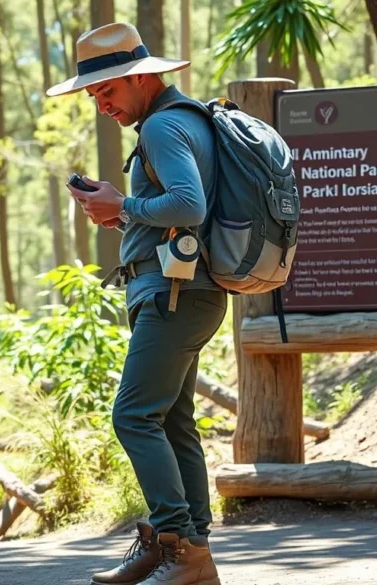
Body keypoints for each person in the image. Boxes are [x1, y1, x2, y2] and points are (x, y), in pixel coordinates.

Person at [46, 22, 226, 585]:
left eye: (108, 90)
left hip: (176, 294)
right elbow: (174, 205)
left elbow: (188, 206)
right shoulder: (184, 120)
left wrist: (123, 204)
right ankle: (186, 552)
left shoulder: (163, 127)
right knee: (173, 420)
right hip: (189, 292)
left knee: (133, 414)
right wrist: (121, 211)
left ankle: (179, 545)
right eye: (94, 95)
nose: (101, 104)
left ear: (142, 77)